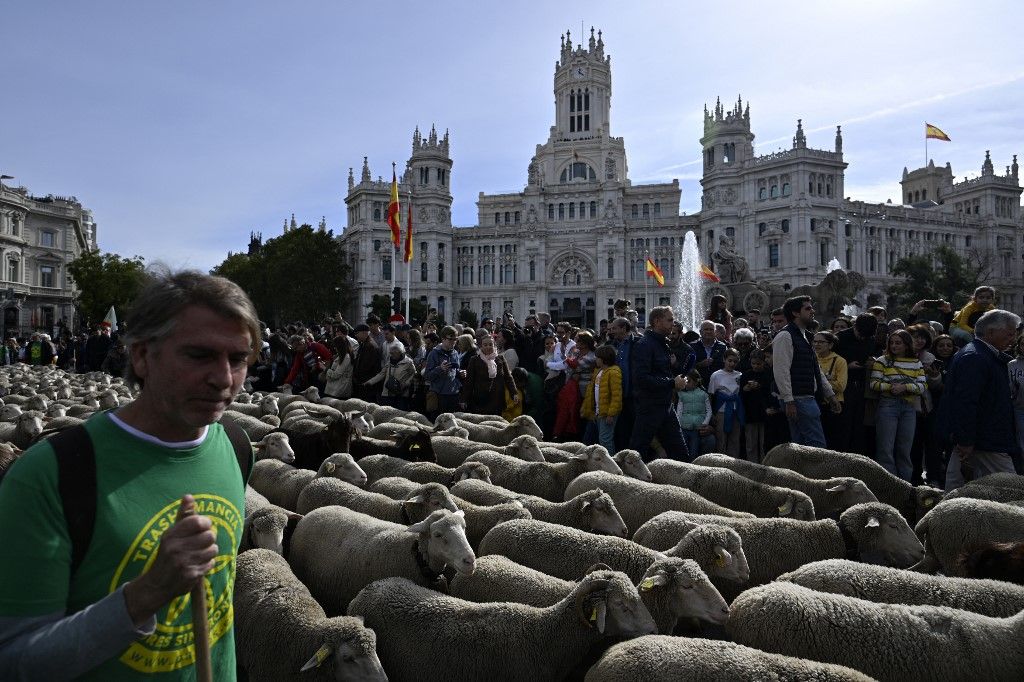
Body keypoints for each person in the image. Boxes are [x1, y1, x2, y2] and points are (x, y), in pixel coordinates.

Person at [0, 270, 258, 680]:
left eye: (238, 359)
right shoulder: (50, 475)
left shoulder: (236, 446)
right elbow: (13, 662)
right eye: (199, 355)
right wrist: (148, 593)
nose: (224, 379)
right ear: (141, 355)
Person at [937, 309, 1022, 490]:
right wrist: (966, 440)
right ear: (991, 332)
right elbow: (965, 402)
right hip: (985, 441)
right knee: (1012, 491)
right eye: (1009, 334)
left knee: (957, 491)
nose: (1013, 338)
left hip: (980, 438)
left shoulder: (982, 355)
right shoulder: (975, 358)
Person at [772, 296, 840, 447]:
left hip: (804, 397)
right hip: (798, 398)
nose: (812, 311)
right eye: (808, 308)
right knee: (817, 445)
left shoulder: (806, 336)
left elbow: (815, 369)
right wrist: (788, 400)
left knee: (801, 446)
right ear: (796, 313)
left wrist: (830, 394)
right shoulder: (785, 335)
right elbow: (781, 371)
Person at [629, 306, 691, 462]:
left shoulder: (663, 343)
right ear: (657, 321)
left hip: (665, 405)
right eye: (669, 320)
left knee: (680, 453)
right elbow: (641, 378)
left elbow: (663, 371)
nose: (673, 323)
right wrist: (672, 383)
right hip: (649, 406)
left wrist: (677, 376)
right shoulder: (645, 345)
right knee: (637, 453)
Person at [870, 330, 925, 481]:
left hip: (908, 408)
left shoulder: (916, 363)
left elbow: (922, 386)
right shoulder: (882, 361)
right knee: (885, 449)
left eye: (898, 342)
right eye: (892, 342)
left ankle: (905, 487)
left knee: (904, 450)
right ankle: (889, 486)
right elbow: (874, 384)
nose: (894, 345)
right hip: (888, 405)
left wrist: (905, 388)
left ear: (907, 344)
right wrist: (890, 388)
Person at [835, 312, 879, 456]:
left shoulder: (871, 338)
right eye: (860, 334)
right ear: (855, 326)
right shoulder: (840, 338)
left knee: (860, 426)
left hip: (862, 386)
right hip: (844, 387)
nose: (862, 338)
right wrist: (846, 365)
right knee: (843, 426)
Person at [580, 345, 622, 454]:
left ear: (604, 358)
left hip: (606, 413)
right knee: (600, 438)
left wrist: (611, 414)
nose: (596, 359)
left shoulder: (613, 372)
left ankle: (611, 463)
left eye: (597, 357)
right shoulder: (598, 371)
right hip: (598, 412)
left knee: (605, 439)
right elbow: (592, 392)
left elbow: (616, 395)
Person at [461, 334, 516, 416]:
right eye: (485, 345)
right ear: (481, 346)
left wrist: (514, 393)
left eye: (490, 344)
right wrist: (464, 399)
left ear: (494, 345)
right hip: (480, 400)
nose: (488, 347)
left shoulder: (500, 359)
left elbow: (508, 377)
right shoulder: (474, 360)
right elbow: (469, 381)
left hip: (497, 400)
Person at [813, 331, 848, 451]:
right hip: (816, 404)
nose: (817, 344)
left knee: (833, 439)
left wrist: (822, 383)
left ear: (830, 345)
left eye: (821, 342)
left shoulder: (840, 361)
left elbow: (841, 386)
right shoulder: (811, 358)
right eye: (815, 341)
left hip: (834, 404)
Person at [708, 348, 743, 457]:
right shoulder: (716, 375)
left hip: (735, 410)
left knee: (734, 440)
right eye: (730, 360)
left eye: (735, 361)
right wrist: (711, 414)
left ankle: (733, 466)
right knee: (721, 439)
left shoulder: (739, 375)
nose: (732, 364)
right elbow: (710, 395)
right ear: (724, 359)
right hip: (721, 411)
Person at [363, 341, 417, 410]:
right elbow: (382, 374)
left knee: (399, 415)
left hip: (401, 394)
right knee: (385, 412)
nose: (391, 355)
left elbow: (413, 374)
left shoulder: (408, 362)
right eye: (390, 353)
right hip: (387, 393)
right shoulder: (390, 361)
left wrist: (407, 383)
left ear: (399, 353)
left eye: (393, 353)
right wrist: (370, 382)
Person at [740, 350, 772, 462]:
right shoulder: (746, 375)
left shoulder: (768, 374)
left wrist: (759, 386)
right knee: (751, 443)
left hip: (765, 413)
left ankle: (765, 465)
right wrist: (745, 389)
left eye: (758, 363)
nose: (756, 366)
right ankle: (752, 465)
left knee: (764, 443)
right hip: (750, 413)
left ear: (763, 362)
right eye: (753, 363)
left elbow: (770, 391)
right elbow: (741, 393)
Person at [423, 326, 462, 419]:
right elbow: (427, 376)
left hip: (453, 394)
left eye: (455, 339)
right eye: (450, 339)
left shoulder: (455, 353)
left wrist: (460, 373)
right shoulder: (434, 354)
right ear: (443, 339)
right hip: (439, 395)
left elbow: (455, 371)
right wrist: (439, 369)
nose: (453, 342)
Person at [676, 370, 711, 459]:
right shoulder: (681, 394)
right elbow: (679, 411)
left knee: (693, 452)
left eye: (689, 381)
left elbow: (709, 411)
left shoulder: (704, 394)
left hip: (696, 429)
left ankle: (692, 468)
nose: (686, 383)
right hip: (684, 428)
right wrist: (679, 425)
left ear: (696, 381)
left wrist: (704, 424)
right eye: (685, 381)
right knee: (682, 450)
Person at [690, 320, 726, 387]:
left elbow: (725, 365)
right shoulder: (692, 346)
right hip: (698, 385)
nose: (708, 332)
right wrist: (700, 364)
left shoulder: (722, 347)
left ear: (715, 332)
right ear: (700, 332)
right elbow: (688, 366)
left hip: (718, 384)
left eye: (711, 329)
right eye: (706, 329)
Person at [352, 323, 382, 402]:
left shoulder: (370, 346)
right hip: (363, 382)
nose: (356, 336)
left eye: (357, 334)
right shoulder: (364, 344)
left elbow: (366, 366)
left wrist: (358, 378)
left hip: (368, 383)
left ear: (364, 333)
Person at [324, 334, 355, 399]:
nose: (335, 348)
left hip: (339, 390)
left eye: (336, 346)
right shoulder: (340, 356)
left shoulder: (346, 357)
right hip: (335, 389)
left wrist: (325, 368)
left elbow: (336, 375)